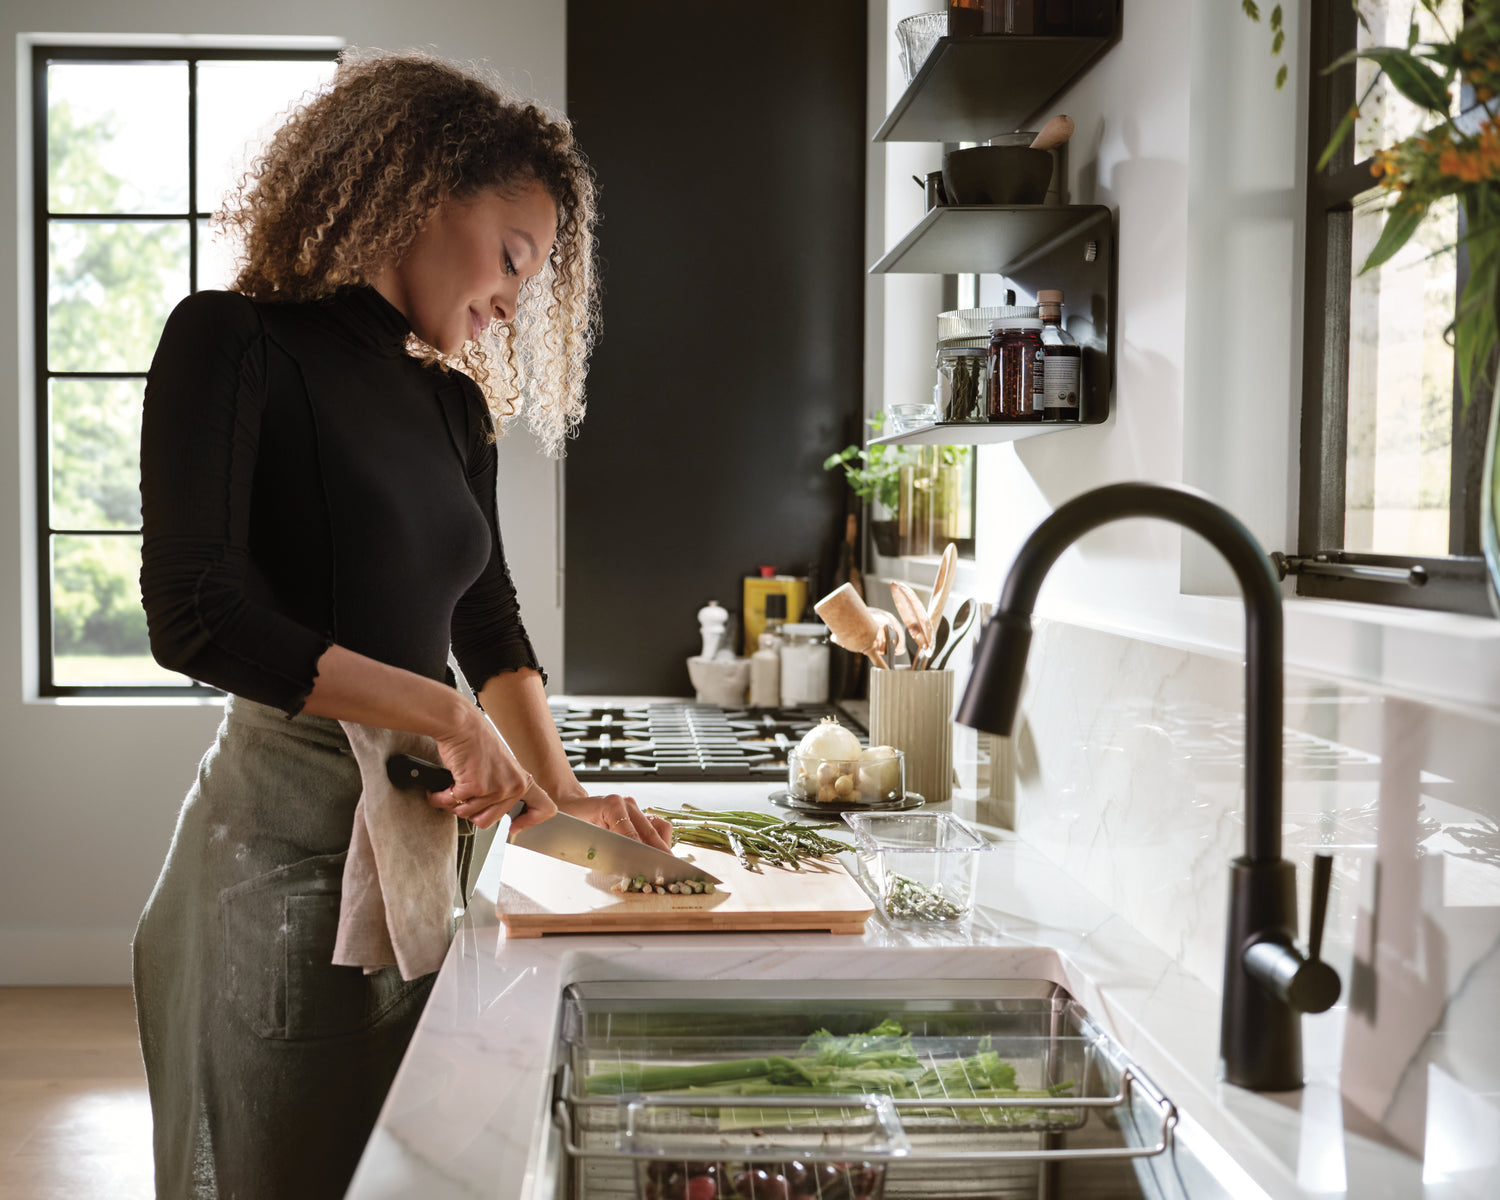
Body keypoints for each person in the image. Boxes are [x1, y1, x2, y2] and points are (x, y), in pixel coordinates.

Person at [133, 48, 666, 1200]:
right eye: (514, 257)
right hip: (279, 863)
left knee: (415, 1176)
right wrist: (445, 715)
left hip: (434, 856)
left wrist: (560, 798)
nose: (516, 299)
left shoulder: (448, 404)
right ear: (423, 191)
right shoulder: (232, 344)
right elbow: (194, 615)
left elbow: (486, 614)